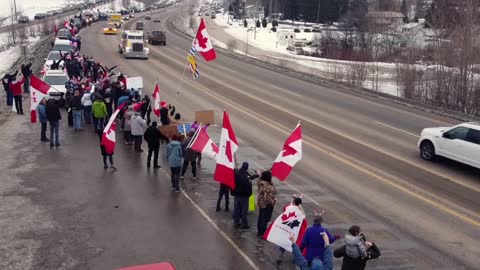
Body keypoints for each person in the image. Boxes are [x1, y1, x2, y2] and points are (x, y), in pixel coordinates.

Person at [231, 162, 259, 229]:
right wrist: (257, 175)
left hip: (236, 194)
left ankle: (236, 222)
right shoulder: (246, 175)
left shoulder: (236, 174)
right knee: (244, 210)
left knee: (236, 209)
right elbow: (250, 180)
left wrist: (232, 192)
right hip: (244, 196)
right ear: (247, 168)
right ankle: (244, 223)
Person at [256, 171, 276, 238]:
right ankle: (262, 233)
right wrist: (273, 202)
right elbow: (268, 198)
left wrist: (259, 175)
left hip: (261, 203)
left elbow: (259, 180)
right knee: (265, 220)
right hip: (267, 205)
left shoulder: (260, 183)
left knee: (260, 218)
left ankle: (259, 232)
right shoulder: (268, 187)